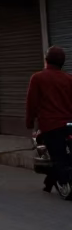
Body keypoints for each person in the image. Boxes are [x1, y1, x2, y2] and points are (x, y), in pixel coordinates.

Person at [25, 46, 72, 193]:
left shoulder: (38, 78)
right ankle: (49, 182)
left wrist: (29, 121)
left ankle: (66, 180)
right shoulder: (69, 79)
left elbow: (31, 102)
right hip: (70, 124)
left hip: (51, 125)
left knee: (57, 156)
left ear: (46, 61)